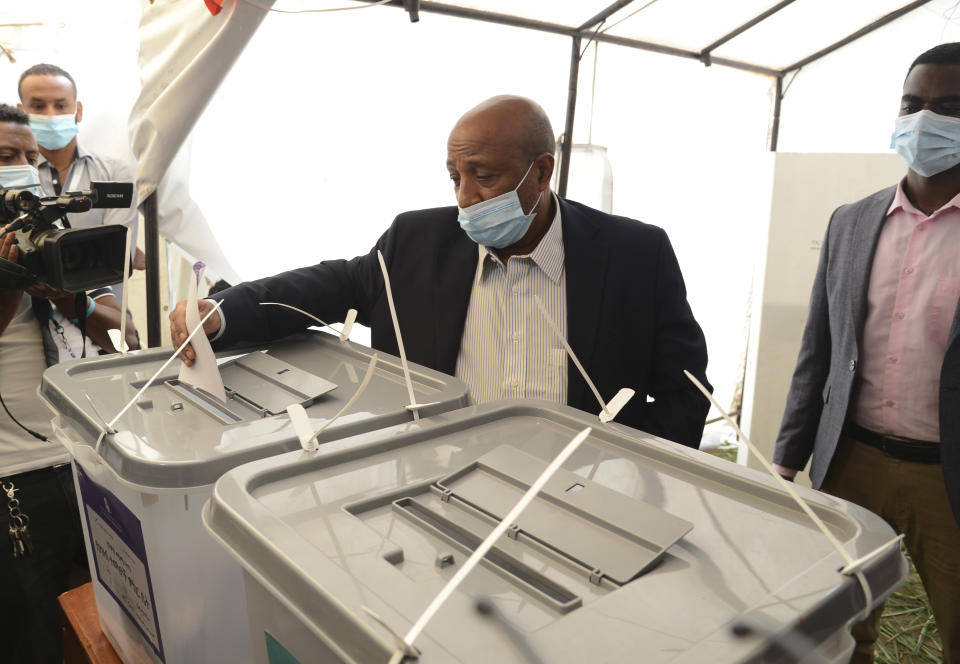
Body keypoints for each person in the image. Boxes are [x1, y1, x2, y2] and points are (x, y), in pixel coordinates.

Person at [171, 96, 711, 446]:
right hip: (444, 489)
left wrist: (629, 473)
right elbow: (325, 286)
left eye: (484, 176)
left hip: (580, 504)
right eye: (454, 176)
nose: (466, 198)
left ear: (542, 171)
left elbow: (687, 396)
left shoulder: (636, 256)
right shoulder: (417, 242)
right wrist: (219, 313)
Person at [773, 43, 960, 663]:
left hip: (947, 475)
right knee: (839, 627)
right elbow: (819, 349)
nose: (923, 119)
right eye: (912, 103)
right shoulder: (852, 222)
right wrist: (786, 457)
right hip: (851, 460)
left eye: (947, 106)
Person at [0, 103, 138, 664]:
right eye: (7, 157)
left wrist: (69, 298)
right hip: (14, 484)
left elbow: (121, 335)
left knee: (113, 620)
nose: (25, 168)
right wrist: (9, 291)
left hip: (86, 457)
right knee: (31, 636)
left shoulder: (51, 235)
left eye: (31, 157)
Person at [17, 63, 143, 287]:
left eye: (60, 105)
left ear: (78, 110)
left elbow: (119, 257)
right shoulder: (13, 177)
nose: (51, 114)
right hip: (27, 316)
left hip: (105, 312)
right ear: (21, 112)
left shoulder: (114, 173)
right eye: (38, 106)